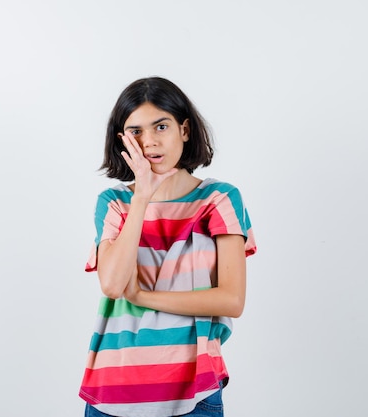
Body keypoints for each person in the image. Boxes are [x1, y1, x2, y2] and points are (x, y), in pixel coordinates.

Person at [79, 76, 257, 417]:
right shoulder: (115, 202)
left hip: (194, 392)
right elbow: (113, 284)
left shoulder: (218, 199)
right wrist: (143, 195)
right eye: (136, 132)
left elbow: (232, 300)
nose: (149, 142)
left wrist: (142, 297)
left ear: (184, 130)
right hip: (113, 391)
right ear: (122, 140)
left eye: (161, 126)